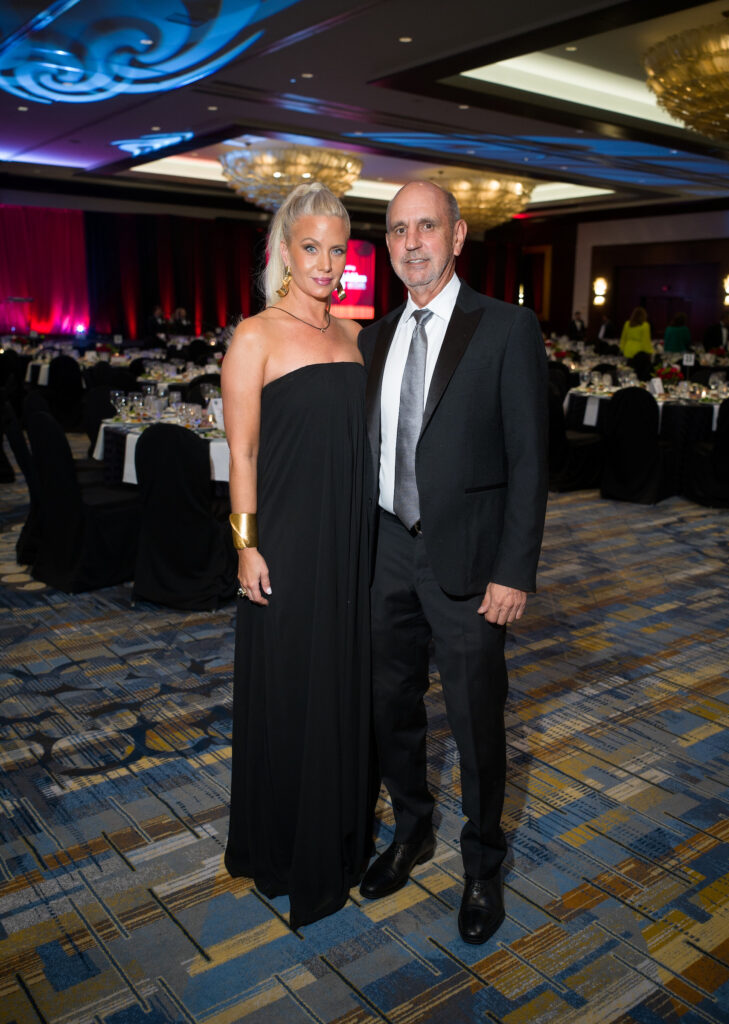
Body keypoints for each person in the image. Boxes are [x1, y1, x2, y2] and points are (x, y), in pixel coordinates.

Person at [358, 181, 548, 945]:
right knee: (390, 709)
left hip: (472, 565)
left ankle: (481, 866)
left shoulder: (505, 328)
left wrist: (516, 570)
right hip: (387, 554)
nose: (412, 242)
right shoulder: (373, 337)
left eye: (426, 226)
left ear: (458, 234)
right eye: (398, 230)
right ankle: (411, 831)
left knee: (475, 724)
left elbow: (531, 462)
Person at [221, 182, 373, 929]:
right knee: (291, 694)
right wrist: (246, 546)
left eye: (337, 248)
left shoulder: (352, 336)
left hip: (348, 544)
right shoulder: (255, 335)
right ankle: (283, 848)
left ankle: (340, 837)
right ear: (284, 251)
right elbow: (241, 452)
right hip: (283, 545)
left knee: (343, 690)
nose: (325, 261)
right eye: (311, 246)